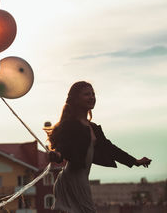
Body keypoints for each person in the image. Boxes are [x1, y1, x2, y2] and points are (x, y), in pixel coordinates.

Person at [44, 81, 151, 213]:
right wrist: (58, 155)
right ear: (76, 99)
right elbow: (64, 145)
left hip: (81, 179)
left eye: (93, 94)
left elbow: (110, 148)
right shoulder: (70, 124)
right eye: (86, 94)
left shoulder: (93, 127)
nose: (92, 97)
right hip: (73, 180)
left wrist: (135, 161)